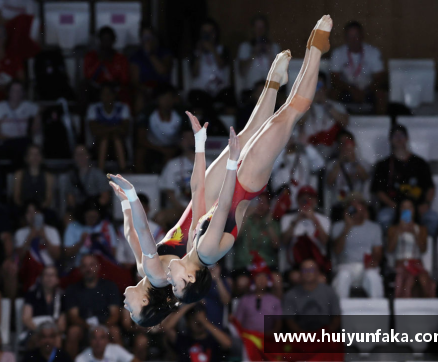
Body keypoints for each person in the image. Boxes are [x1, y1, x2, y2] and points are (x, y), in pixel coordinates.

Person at [121, 14, 331, 319]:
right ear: (188, 279)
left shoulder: (195, 251)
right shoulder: (202, 253)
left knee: (265, 125)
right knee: (291, 113)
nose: (170, 283)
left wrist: (200, 144)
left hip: (235, 184)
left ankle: (275, 81)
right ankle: (316, 49)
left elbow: (198, 196)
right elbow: (220, 210)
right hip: (244, 185)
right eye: (134, 312)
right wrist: (232, 161)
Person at [371, 124, 438, 236]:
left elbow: (430, 187)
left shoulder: (420, 163)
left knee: (433, 219)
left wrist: (426, 204)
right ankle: (390, 251)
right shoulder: (383, 165)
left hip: (417, 207)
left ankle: (424, 250)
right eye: (395, 136)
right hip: (393, 207)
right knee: (383, 218)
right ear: (390, 140)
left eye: (401, 135)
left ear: (407, 138)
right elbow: (378, 191)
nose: (398, 138)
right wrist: (393, 205)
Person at [64, 255, 121, 358]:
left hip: (105, 326)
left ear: (98, 267)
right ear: (80, 269)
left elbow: (115, 314)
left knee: (115, 331)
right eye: (84, 266)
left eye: (91, 265)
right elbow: (73, 317)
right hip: (84, 328)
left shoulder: (110, 286)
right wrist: (89, 327)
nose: (88, 269)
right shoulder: (72, 289)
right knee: (73, 332)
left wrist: (102, 327)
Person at [331, 193, 384, 298]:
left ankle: (378, 313)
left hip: (366, 266)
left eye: (358, 204)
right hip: (345, 266)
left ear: (364, 208)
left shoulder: (374, 227)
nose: (354, 207)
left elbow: (378, 252)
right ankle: (339, 313)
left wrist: (374, 260)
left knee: (373, 277)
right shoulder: (338, 226)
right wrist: (347, 227)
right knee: (343, 277)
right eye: (351, 204)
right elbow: (336, 251)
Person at [329, 21, 387, 114]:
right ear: (346, 38)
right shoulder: (338, 53)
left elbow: (380, 78)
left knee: (381, 94)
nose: (354, 40)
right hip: (346, 89)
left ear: (362, 36)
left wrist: (365, 91)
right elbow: (334, 78)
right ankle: (334, 123)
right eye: (350, 37)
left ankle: (380, 123)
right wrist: (352, 90)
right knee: (333, 92)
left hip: (368, 89)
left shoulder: (373, 52)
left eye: (356, 36)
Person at [387, 198, 435, 298]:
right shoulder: (393, 229)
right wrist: (398, 230)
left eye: (409, 207)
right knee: (407, 279)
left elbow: (423, 249)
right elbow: (390, 249)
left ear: (414, 210)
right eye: (403, 207)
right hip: (400, 263)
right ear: (399, 211)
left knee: (424, 280)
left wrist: (414, 233)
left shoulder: (421, 229)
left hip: (416, 263)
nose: (406, 210)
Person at [233, 193, 281, 288]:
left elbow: (276, 245)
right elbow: (234, 239)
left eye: (265, 202)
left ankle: (275, 303)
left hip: (266, 264)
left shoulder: (272, 223)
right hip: (245, 264)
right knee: (242, 283)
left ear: (269, 206)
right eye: (259, 201)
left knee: (277, 280)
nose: (261, 205)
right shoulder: (242, 220)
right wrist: (245, 216)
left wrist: (268, 224)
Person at [280, 186, 331, 275]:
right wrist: (297, 220)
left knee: (320, 279)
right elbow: (284, 241)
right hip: (295, 264)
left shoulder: (324, 219)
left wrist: (314, 220)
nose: (306, 200)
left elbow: (325, 241)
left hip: (317, 262)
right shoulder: (287, 218)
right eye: (303, 198)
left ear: (315, 201)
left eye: (310, 197)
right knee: (295, 277)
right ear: (297, 200)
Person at [188, 18, 235, 113]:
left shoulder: (223, 49)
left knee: (230, 96)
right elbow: (194, 73)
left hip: (220, 89)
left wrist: (212, 49)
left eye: (210, 32)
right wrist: (199, 54)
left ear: (215, 33)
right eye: (204, 32)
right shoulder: (195, 52)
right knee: (195, 97)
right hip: (202, 91)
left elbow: (222, 65)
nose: (207, 35)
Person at [135, 84, 185, 173]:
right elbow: (141, 139)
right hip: (153, 147)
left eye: (169, 98)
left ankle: (169, 180)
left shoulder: (181, 113)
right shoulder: (148, 113)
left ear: (174, 99)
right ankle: (141, 179)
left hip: (174, 148)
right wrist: (162, 150)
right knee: (140, 152)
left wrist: (175, 148)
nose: (167, 101)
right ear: (157, 99)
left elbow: (187, 136)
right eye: (164, 98)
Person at [271, 132, 325, 213]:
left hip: (303, 205)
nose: (289, 140)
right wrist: (283, 147)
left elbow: (320, 165)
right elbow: (269, 169)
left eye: (291, 137)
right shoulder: (277, 159)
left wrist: (307, 145)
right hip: (282, 206)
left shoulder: (304, 157)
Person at [298, 72, 349, 158]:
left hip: (331, 148)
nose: (317, 89)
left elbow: (345, 122)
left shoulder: (336, 105)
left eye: (319, 85)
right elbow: (299, 122)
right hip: (308, 147)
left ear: (325, 87)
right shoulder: (302, 105)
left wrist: (326, 104)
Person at [0, 81, 41, 165]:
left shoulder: (29, 106)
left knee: (26, 146)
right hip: (5, 142)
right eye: (14, 90)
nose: (17, 93)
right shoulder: (0, 107)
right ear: (8, 92)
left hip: (23, 142)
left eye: (19, 90)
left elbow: (38, 113)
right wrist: (11, 139)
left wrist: (34, 127)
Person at [158, 128, 201, 228]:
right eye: (185, 138)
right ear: (180, 142)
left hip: (204, 207)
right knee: (160, 217)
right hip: (179, 208)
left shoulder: (209, 163)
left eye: (192, 137)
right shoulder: (172, 165)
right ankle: (167, 244)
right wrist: (183, 209)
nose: (189, 141)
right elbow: (169, 193)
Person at [283, 259, 341, 333]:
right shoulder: (290, 295)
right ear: (300, 273)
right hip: (301, 336)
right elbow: (289, 320)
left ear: (318, 272)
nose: (308, 273)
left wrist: (327, 334)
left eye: (311, 270)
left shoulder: (329, 292)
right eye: (304, 270)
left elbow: (336, 316)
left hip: (325, 334)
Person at [15, 201, 61, 291]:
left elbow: (57, 256)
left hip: (48, 267)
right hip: (29, 269)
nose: (32, 215)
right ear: (25, 216)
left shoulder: (52, 231)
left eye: (35, 211)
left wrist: (45, 237)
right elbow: (19, 258)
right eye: (29, 212)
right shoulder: (20, 233)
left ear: (41, 214)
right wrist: (29, 238)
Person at [162, 304, 232, 362]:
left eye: (200, 319)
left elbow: (228, 343)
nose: (198, 322)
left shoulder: (214, 340)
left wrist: (204, 322)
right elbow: (167, 328)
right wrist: (188, 305)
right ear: (187, 322)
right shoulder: (183, 340)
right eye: (194, 319)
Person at [86, 84, 131, 171]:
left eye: (109, 94)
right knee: (105, 139)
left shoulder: (123, 107)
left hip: (119, 146)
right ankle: (100, 170)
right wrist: (114, 128)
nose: (107, 97)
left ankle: (123, 169)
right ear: (100, 96)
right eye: (104, 94)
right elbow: (94, 131)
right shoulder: (93, 108)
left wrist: (103, 128)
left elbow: (125, 130)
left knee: (116, 138)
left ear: (114, 95)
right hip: (98, 146)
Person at [326, 130, 369, 221]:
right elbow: (329, 182)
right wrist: (339, 162)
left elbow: (365, 177)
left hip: (358, 204)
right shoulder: (332, 164)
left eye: (347, 142)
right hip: (340, 204)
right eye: (341, 143)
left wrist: (353, 161)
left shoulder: (363, 163)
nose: (345, 146)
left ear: (353, 144)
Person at [63, 200, 117, 269]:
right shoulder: (73, 227)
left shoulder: (106, 226)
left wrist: (101, 243)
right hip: (79, 267)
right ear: (83, 215)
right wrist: (81, 242)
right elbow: (67, 253)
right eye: (89, 217)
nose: (92, 220)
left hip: (102, 267)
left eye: (94, 217)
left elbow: (113, 252)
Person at [130, 25, 173, 112]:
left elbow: (163, 71)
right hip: (145, 89)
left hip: (162, 88)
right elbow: (135, 80)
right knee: (139, 98)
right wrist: (146, 89)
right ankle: (141, 124)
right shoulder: (136, 56)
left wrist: (150, 54)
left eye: (149, 37)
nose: (147, 40)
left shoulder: (165, 53)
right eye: (144, 37)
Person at [116, 194, 164, 269]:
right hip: (128, 269)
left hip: (150, 270)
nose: (137, 211)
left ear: (148, 209)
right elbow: (119, 256)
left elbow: (161, 254)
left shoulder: (157, 229)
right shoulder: (122, 229)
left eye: (141, 207)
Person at [21, 266, 66, 347]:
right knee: (37, 339)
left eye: (52, 275)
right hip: (35, 330)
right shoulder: (31, 295)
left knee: (57, 339)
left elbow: (61, 325)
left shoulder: (62, 297)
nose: (49, 278)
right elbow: (26, 319)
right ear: (41, 278)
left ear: (57, 280)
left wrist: (50, 334)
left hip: (53, 332)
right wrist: (42, 332)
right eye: (46, 275)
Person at [83, 26, 129, 102]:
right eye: (103, 39)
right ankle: (82, 114)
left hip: (114, 89)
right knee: (84, 87)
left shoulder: (121, 58)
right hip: (96, 88)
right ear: (100, 40)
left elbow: (125, 80)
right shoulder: (91, 56)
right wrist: (99, 62)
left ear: (113, 40)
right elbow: (88, 76)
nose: (106, 42)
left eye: (108, 39)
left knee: (125, 91)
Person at [238, 14, 281, 91]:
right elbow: (242, 72)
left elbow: (278, 75)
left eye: (262, 28)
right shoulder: (245, 47)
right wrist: (253, 54)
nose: (260, 31)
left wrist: (270, 53)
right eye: (257, 28)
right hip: (251, 89)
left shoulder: (274, 47)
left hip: (270, 89)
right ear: (252, 29)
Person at [64, 145, 111, 212]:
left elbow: (105, 198)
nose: (80, 157)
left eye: (82, 154)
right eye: (77, 155)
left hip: (95, 209)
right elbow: (70, 199)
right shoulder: (71, 175)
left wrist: (92, 208)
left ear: (88, 156)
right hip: (79, 209)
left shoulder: (98, 174)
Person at [234, 270, 282, 334]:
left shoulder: (275, 300)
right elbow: (238, 322)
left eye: (265, 277)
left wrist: (271, 335)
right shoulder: (244, 299)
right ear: (253, 280)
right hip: (248, 338)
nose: (261, 280)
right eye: (258, 276)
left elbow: (278, 323)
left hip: (268, 338)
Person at [13, 145, 55, 209]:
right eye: (32, 154)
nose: (35, 157)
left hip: (41, 209)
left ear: (42, 157)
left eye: (37, 154)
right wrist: (27, 210)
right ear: (26, 158)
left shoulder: (48, 176)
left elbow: (48, 199)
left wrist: (37, 210)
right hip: (23, 209)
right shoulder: (19, 174)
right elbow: (16, 197)